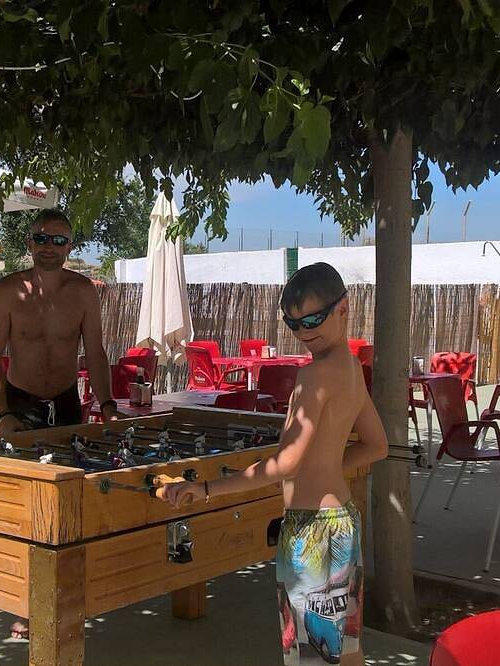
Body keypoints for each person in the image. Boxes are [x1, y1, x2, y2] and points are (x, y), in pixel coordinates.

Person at [158, 263, 388, 666]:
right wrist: (329, 464)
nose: (304, 331)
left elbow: (286, 465)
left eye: (314, 318)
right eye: (293, 322)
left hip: (312, 531)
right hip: (342, 522)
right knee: (345, 651)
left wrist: (208, 488)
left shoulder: (314, 376)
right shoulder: (352, 369)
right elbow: (376, 446)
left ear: (344, 309)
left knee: (313, 655)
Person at [0, 207, 118, 638]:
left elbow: (94, 353)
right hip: (21, 405)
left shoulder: (83, 292)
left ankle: (69, 594)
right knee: (23, 509)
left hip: (66, 403)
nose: (50, 248)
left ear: (71, 247)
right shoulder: (8, 291)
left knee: (72, 504)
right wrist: (1, 411)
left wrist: (108, 404)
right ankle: (25, 602)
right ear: (29, 243)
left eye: (60, 240)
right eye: (42, 238)